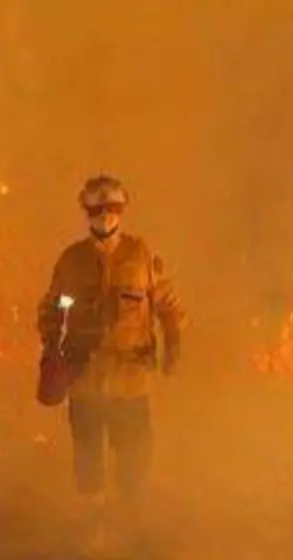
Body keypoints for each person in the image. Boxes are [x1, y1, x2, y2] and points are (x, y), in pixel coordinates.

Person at [36, 174, 185, 538]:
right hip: (84, 376)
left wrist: (174, 343)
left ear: (123, 211)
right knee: (87, 452)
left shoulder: (141, 255)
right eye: (97, 209)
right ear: (86, 211)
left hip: (130, 378)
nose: (105, 215)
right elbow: (51, 309)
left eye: (112, 208)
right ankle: (91, 529)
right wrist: (51, 348)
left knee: (134, 451)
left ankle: (129, 525)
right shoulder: (70, 260)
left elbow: (168, 305)